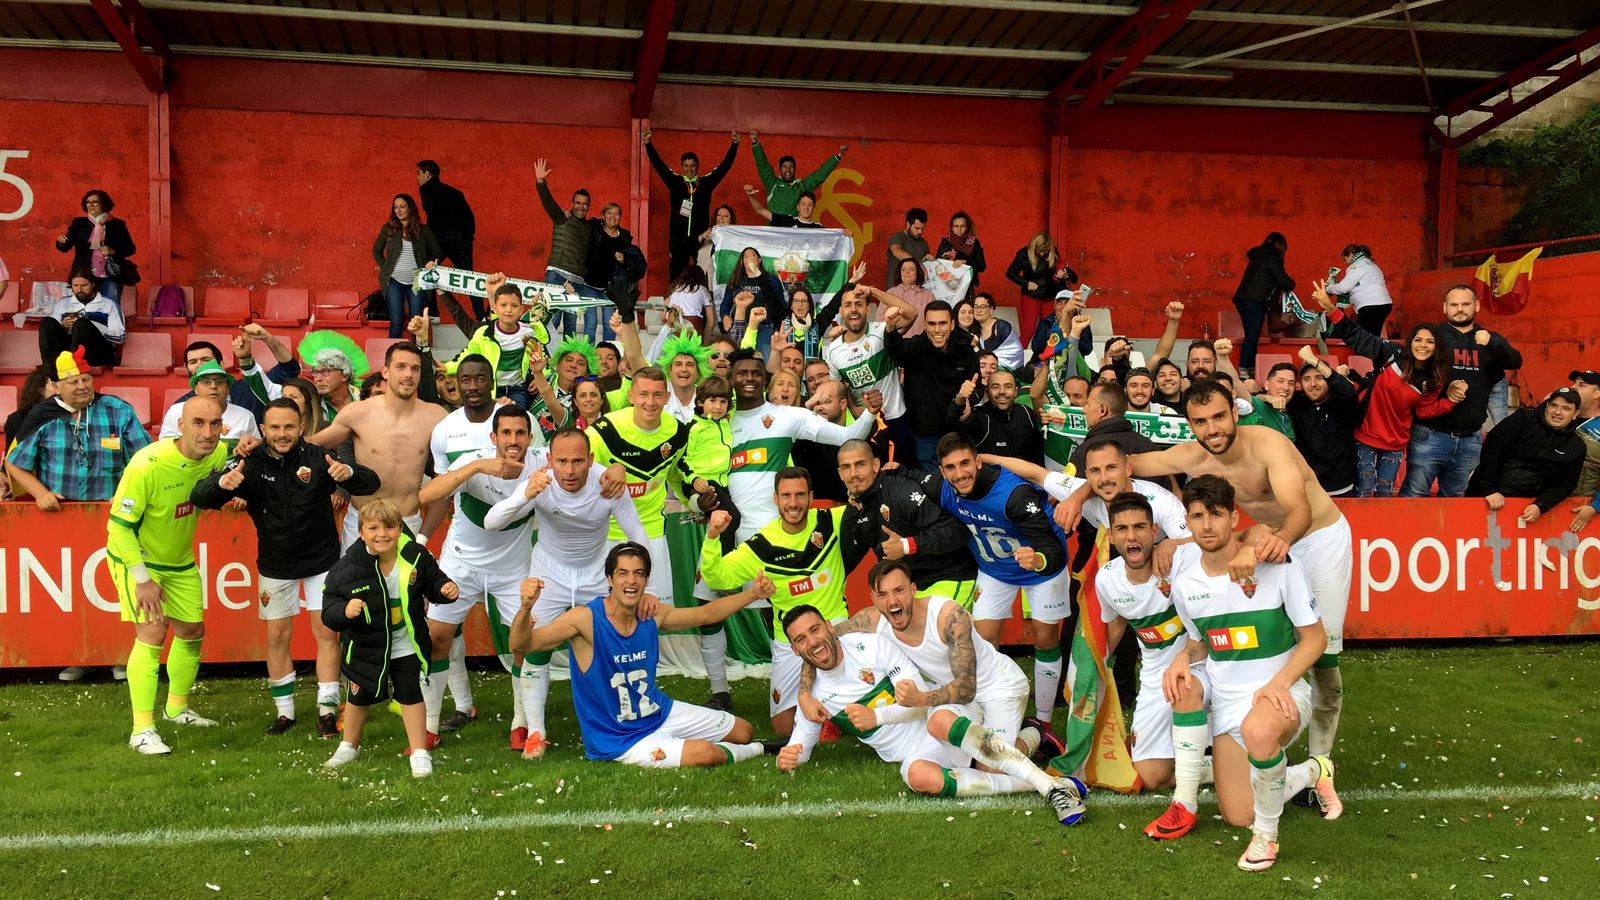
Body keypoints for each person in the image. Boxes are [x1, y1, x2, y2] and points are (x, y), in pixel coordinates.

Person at [1075, 379, 1351, 779]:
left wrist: (1274, 544)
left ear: (1234, 412)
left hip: (1314, 538)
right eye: (1200, 421)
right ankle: (1260, 736)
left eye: (1219, 417)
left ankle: (1320, 760)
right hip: (1262, 539)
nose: (1212, 429)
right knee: (1260, 635)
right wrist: (1077, 494)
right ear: (1188, 423)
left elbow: (1299, 512)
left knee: (1321, 653)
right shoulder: (1191, 456)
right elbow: (1117, 470)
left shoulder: (1268, 444)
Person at [796, 561, 1088, 822]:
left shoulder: (948, 615)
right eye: (882, 595)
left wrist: (919, 700)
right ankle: (1041, 761)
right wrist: (804, 694)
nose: (892, 601)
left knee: (995, 769)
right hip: (955, 696)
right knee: (944, 737)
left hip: (998, 687)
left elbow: (966, 688)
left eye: (898, 591)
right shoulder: (872, 620)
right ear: (873, 599)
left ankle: (1037, 750)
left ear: (913, 589)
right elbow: (820, 642)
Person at [1162, 475, 1339, 870]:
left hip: (1280, 694)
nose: (1206, 526)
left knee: (1260, 734)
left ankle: (1267, 840)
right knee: (1237, 814)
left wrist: (1279, 683)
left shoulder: (1277, 566)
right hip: (1227, 702)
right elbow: (1199, 642)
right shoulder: (1186, 584)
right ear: (1187, 523)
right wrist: (1180, 658)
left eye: (1216, 515)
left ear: (1233, 517)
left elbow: (1314, 639)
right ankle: (1312, 771)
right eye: (1196, 517)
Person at [191, 398, 380, 736]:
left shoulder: (318, 457)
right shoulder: (248, 462)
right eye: (274, 428)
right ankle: (285, 712)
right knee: (277, 638)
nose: (282, 434)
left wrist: (348, 472)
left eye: (288, 427)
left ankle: (326, 709)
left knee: (326, 632)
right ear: (263, 430)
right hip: (275, 566)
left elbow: (370, 484)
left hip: (322, 562)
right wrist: (221, 484)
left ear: (301, 428)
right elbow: (201, 498)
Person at [510, 543, 780, 768]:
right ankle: (759, 750)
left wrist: (753, 594)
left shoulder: (650, 613)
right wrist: (524, 609)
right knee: (708, 754)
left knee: (742, 731)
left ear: (646, 580)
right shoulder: (585, 619)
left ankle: (688, 744)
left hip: (658, 712)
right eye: (623, 573)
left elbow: (705, 614)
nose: (631, 581)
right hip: (618, 738)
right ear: (610, 579)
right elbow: (522, 645)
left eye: (638, 573)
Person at [488, 427, 647, 755]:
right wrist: (524, 495)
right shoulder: (539, 480)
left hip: (594, 575)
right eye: (562, 461)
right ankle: (534, 730)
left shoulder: (608, 482)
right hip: (549, 573)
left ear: (591, 460)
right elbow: (492, 522)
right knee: (535, 648)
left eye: (578, 461)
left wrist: (650, 589)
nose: (570, 470)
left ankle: (617, 719)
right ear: (549, 460)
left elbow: (635, 533)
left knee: (609, 646)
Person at [108, 396, 231, 755]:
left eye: (215, 423)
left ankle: (177, 709)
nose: (207, 433)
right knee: (152, 632)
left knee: (192, 631)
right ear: (180, 425)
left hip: (179, 560)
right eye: (198, 423)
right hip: (138, 560)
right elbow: (118, 528)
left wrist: (246, 444)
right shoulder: (147, 465)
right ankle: (142, 730)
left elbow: (235, 448)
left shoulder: (218, 453)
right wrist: (142, 578)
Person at [699, 470, 856, 736]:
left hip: (833, 625)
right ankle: (827, 704)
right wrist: (713, 536)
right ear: (775, 498)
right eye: (786, 495)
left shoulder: (832, 521)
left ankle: (833, 701)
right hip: (789, 640)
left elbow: (873, 507)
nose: (793, 503)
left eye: (799, 495)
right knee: (782, 727)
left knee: (862, 703)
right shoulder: (762, 544)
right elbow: (718, 577)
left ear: (811, 497)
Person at [936, 432, 1070, 731]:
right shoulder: (944, 487)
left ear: (978, 462)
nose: (960, 474)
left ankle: (1044, 721)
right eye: (951, 468)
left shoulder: (1014, 495)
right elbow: (912, 483)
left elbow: (1054, 550)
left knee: (1045, 639)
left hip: (1038, 568)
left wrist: (1039, 559)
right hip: (995, 569)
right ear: (942, 471)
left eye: (965, 463)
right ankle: (991, 709)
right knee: (982, 641)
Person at [1090, 493, 1207, 831]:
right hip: (1157, 671)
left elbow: (1235, 536)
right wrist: (1098, 666)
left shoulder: (1182, 558)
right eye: (1122, 529)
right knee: (1151, 776)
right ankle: (1211, 761)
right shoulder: (1107, 580)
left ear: (1155, 530)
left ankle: (1225, 754)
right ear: (1110, 535)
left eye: (1140, 527)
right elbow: (1115, 624)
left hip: (1206, 662)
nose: (1132, 536)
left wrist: (1177, 540)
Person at [320, 499, 460, 777]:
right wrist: (345, 611)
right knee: (358, 698)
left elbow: (433, 580)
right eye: (373, 528)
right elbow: (328, 609)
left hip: (405, 642)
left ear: (400, 529)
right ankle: (349, 746)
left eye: (389, 527)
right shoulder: (348, 567)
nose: (382, 534)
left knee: (410, 694)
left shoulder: (415, 556)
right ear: (361, 532)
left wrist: (444, 588)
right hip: (365, 645)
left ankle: (419, 752)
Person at [726, 350, 876, 545]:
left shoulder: (789, 416)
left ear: (765, 380)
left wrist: (870, 413)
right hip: (731, 532)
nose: (750, 378)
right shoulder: (720, 421)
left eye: (756, 373)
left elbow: (848, 436)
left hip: (778, 532)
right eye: (742, 373)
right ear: (731, 380)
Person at [308, 340, 448, 545]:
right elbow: (310, 446)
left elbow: (447, 475)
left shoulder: (436, 417)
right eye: (400, 366)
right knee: (355, 578)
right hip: (361, 521)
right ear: (385, 371)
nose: (408, 374)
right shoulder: (358, 413)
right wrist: (260, 444)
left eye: (415, 368)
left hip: (406, 522)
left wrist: (422, 536)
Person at [1402, 285, 1523, 499]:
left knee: (1454, 501)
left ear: (1476, 306)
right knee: (1414, 496)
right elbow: (1412, 369)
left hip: (1470, 439)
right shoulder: (1433, 336)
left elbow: (1515, 361)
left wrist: (1492, 343)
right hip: (1430, 434)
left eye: (1465, 304)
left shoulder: (1489, 338)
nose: (1460, 309)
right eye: (1454, 305)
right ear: (1445, 308)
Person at [835, 439, 978, 605]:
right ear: (840, 473)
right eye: (846, 467)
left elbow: (957, 530)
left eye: (860, 464)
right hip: (909, 587)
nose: (853, 474)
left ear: (875, 465)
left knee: (934, 627)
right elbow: (843, 563)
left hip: (948, 577)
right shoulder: (854, 512)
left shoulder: (900, 492)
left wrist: (907, 545)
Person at [5, 349, 150, 509]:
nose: (82, 386)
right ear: (56, 387)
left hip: (112, 511)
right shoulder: (42, 416)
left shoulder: (119, 411)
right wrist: (41, 494)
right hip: (58, 513)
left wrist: (127, 493)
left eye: (86, 380)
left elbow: (145, 461)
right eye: (73, 382)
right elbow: (14, 464)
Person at [1466, 387, 1585, 523]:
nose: (1557, 412)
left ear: (1576, 414)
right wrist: (1488, 490)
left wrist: (1540, 505)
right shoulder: (1522, 418)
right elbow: (1492, 449)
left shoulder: (1577, 446)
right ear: (1546, 406)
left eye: (1566, 408)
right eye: (1553, 405)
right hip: (1484, 497)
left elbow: (1566, 484)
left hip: (1525, 508)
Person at [889, 300, 978, 468]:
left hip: (958, 432)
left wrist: (969, 400)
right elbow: (897, 351)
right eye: (932, 323)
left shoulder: (965, 351)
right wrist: (890, 328)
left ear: (952, 324)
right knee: (932, 485)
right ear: (925, 325)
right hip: (925, 436)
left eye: (942, 323)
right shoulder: (916, 347)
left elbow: (976, 384)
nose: (937, 329)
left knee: (960, 484)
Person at [644, 129, 740, 277]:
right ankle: (673, 299)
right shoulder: (675, 182)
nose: (690, 169)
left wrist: (734, 145)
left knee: (703, 276)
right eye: (686, 166)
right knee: (675, 277)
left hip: (700, 238)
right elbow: (659, 165)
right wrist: (648, 144)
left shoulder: (705, 183)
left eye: (693, 165)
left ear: (697, 166)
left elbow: (724, 167)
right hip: (678, 240)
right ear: (682, 167)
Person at [532, 157, 601, 338]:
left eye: (584, 204)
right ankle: (545, 360)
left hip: (577, 281)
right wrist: (540, 182)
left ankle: (566, 361)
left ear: (588, 207)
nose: (581, 206)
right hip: (557, 274)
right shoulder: (562, 218)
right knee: (552, 321)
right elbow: (548, 203)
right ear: (572, 203)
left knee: (570, 324)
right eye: (577, 203)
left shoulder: (590, 228)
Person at [179, 327, 301, 423]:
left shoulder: (251, 387)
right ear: (186, 369)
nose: (200, 365)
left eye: (206, 360)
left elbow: (289, 369)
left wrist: (267, 337)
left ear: (221, 364)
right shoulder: (180, 407)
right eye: (193, 362)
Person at [455, 274, 542, 408]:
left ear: (521, 310)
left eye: (514, 306)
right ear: (494, 307)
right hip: (491, 387)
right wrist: (447, 367)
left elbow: (541, 358)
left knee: (518, 415)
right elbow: (469, 357)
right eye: (503, 305)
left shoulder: (530, 332)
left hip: (517, 388)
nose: (508, 310)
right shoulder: (484, 333)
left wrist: (540, 377)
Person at [1289, 348, 1362, 497]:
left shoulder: (1341, 402)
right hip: (1308, 489)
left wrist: (1313, 359)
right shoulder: (1295, 403)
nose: (1313, 384)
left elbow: (1348, 391)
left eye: (1319, 377)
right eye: (1306, 379)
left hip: (1341, 488)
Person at [415, 159, 480, 323]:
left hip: (441, 237)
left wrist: (430, 238)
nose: (417, 177)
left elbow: (432, 214)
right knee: (469, 279)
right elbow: (470, 217)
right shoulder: (456, 192)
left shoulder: (426, 189)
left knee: (427, 271)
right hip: (463, 239)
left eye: (419, 173)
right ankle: (482, 316)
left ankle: (434, 313)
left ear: (427, 174)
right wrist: (468, 236)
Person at [371, 193, 440, 338]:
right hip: (394, 281)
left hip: (417, 281)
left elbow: (436, 252)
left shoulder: (422, 230)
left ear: (410, 208)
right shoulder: (389, 228)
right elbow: (376, 250)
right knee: (396, 321)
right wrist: (386, 268)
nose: (399, 210)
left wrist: (431, 262)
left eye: (402, 206)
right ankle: (393, 356)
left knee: (416, 322)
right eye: (395, 207)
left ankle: (417, 355)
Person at [158, 360, 261, 448]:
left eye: (220, 381)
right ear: (196, 389)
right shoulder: (176, 412)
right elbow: (165, 449)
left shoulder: (245, 416)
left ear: (228, 388)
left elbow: (257, 451)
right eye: (206, 382)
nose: (213, 386)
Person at [1231, 232, 1294, 377]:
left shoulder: (1259, 257)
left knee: (1252, 335)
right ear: (1280, 245)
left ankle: (1249, 367)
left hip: (1244, 299)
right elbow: (1283, 281)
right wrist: (1292, 284)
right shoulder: (1272, 258)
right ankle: (1244, 368)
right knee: (1252, 336)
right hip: (1254, 300)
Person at [56, 189, 135, 301]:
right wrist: (61, 242)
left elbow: (130, 249)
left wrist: (113, 250)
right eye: (88, 202)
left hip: (110, 274)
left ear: (104, 204)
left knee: (110, 305)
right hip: (84, 275)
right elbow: (65, 246)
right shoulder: (79, 223)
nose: (91, 205)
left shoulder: (117, 224)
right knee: (82, 307)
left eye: (95, 202)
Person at [951, 368, 1042, 462]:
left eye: (1008, 386)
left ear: (1015, 391)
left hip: (1027, 475)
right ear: (987, 391)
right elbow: (956, 420)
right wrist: (959, 399)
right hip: (993, 476)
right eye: (995, 387)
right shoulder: (980, 416)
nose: (1002, 391)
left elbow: (1038, 452)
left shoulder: (1026, 412)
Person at [749, 132, 846, 216]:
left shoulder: (802, 187)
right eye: (784, 166)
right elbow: (763, 166)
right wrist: (755, 142)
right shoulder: (772, 184)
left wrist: (838, 156)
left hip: (794, 235)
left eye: (791, 166)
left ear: (795, 169)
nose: (788, 170)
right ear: (780, 169)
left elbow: (819, 176)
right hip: (774, 234)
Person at [39, 271, 124, 367]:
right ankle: (51, 368)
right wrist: (62, 325)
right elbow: (51, 331)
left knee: (81, 324)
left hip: (98, 351)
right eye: (75, 285)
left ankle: (75, 366)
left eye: (84, 285)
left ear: (93, 284)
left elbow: (119, 336)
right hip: (68, 351)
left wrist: (91, 325)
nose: (79, 289)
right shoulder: (62, 304)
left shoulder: (108, 304)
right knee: (47, 323)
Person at [1005, 232, 1077, 344]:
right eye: (1039, 250)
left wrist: (1063, 275)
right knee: (1028, 330)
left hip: (1050, 295)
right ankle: (1018, 357)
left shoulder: (1053, 252)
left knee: (1048, 329)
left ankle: (1045, 358)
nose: (1042, 253)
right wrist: (1026, 283)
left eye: (1045, 250)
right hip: (1031, 296)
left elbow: (1062, 271)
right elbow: (1010, 273)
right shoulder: (1024, 254)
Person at [720, 247, 787, 357]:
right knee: (738, 359)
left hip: (764, 327)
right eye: (746, 256)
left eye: (753, 255)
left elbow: (780, 305)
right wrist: (725, 316)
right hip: (741, 327)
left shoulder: (771, 280)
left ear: (759, 260)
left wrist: (777, 328)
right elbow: (726, 304)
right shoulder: (736, 279)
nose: (750, 258)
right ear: (742, 261)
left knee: (765, 361)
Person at [586, 202, 634, 342]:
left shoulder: (624, 237)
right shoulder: (594, 229)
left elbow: (631, 262)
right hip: (589, 285)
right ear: (603, 215)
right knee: (590, 324)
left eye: (616, 214)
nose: (613, 217)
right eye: (609, 213)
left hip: (610, 288)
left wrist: (624, 260)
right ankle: (588, 359)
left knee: (609, 325)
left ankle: (607, 355)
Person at [1323, 244, 1391, 337]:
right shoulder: (1371, 264)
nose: (1346, 263)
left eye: (1345, 259)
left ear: (1351, 255)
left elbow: (1344, 288)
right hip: (1384, 304)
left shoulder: (1356, 266)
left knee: (1362, 339)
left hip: (1370, 306)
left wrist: (1328, 288)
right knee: (1373, 338)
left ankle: (1367, 352)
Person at [935, 210, 987, 293]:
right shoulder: (946, 242)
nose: (959, 229)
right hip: (947, 286)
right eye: (956, 226)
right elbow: (936, 265)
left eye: (962, 226)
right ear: (952, 227)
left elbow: (982, 266)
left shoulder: (973, 242)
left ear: (967, 227)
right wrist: (944, 258)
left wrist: (965, 262)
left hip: (967, 287)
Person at [883, 256, 933, 338]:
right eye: (903, 270)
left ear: (918, 273)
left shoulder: (928, 295)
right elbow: (880, 319)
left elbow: (934, 318)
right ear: (900, 273)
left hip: (922, 344)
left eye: (911, 269)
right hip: (897, 343)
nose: (907, 272)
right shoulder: (891, 293)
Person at [971, 292, 1024, 371]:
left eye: (983, 307)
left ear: (991, 309)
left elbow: (1016, 353)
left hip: (1008, 372)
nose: (978, 310)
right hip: (983, 373)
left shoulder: (1002, 327)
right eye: (976, 307)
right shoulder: (974, 329)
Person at [667, 263, 715, 337]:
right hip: (693, 326)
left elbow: (664, 316)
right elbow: (711, 322)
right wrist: (706, 343)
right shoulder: (703, 290)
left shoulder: (674, 288)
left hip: (674, 324)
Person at [742, 185, 823, 228]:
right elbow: (761, 210)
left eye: (810, 205)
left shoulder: (819, 228)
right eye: (803, 204)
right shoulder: (787, 221)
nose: (806, 208)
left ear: (814, 208)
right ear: (798, 207)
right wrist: (751, 196)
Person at [695, 204, 736, 277]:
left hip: (721, 278)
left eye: (726, 216)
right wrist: (702, 237)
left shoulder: (733, 237)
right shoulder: (707, 233)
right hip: (701, 275)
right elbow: (691, 246)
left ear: (731, 220)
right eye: (719, 215)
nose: (721, 218)